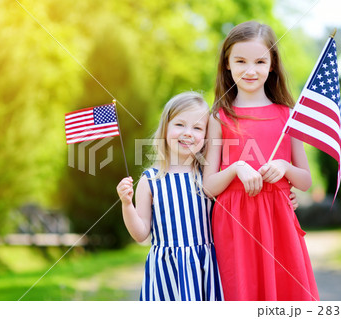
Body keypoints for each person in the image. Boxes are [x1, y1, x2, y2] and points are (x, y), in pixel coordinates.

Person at [202, 21, 319, 301]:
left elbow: (305, 181)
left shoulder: (288, 115)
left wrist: (284, 167)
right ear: (227, 64)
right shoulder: (219, 118)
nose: (250, 70)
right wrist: (236, 168)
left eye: (260, 61)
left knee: (285, 295)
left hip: (278, 222)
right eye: (240, 61)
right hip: (235, 225)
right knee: (242, 293)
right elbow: (208, 186)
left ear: (272, 64)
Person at [116, 91, 224, 301]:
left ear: (206, 137)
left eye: (198, 128)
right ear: (165, 128)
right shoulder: (150, 181)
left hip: (205, 267)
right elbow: (140, 234)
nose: (188, 133)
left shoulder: (208, 176)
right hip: (166, 271)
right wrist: (126, 204)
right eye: (180, 124)